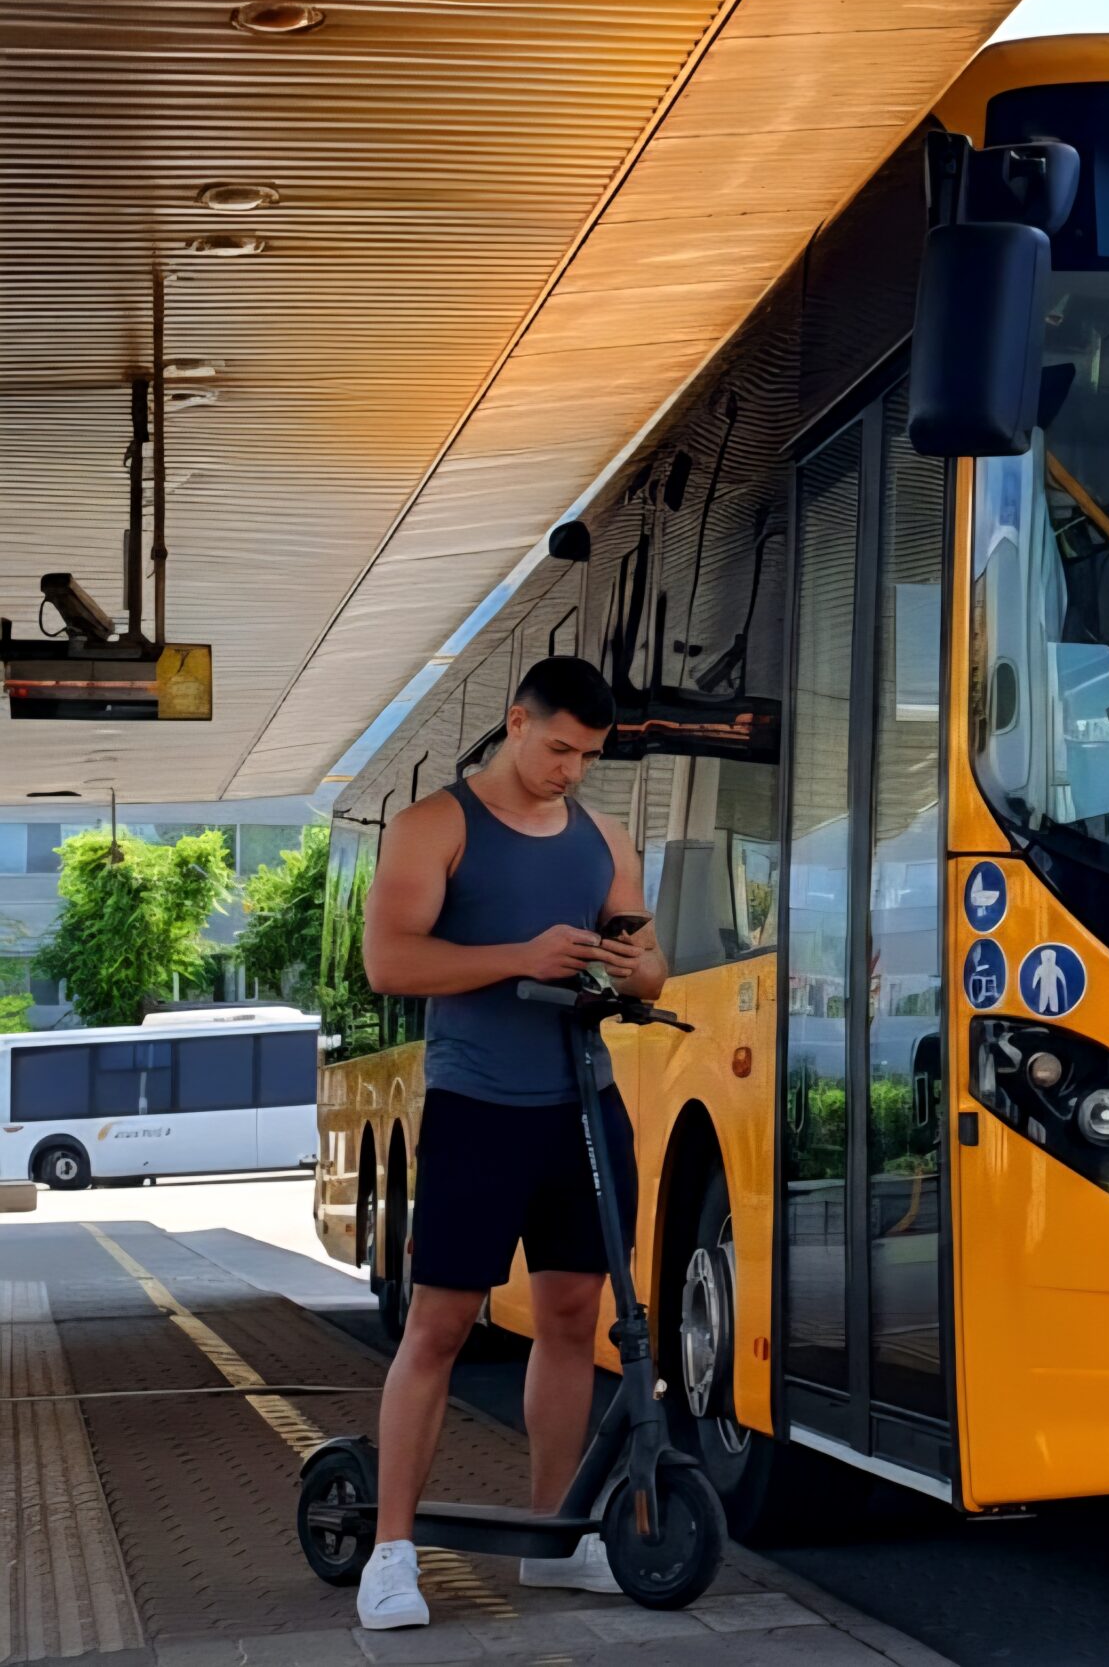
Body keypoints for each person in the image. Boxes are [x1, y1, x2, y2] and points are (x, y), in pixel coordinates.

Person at [352, 656, 666, 1630]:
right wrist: (519, 958)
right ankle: (391, 1555)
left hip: (581, 1103)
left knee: (574, 1318)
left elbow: (651, 966)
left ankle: (554, 1539)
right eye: (560, 748)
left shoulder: (604, 839)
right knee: (440, 1326)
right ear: (516, 721)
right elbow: (389, 961)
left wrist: (630, 968)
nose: (571, 769)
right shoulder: (433, 828)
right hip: (478, 1106)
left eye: (589, 756)